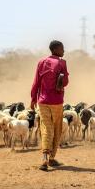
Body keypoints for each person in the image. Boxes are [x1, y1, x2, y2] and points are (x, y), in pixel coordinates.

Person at [30, 40, 69, 171]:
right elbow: (65, 82)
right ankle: (50, 158)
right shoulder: (62, 63)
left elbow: (36, 81)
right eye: (62, 49)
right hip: (57, 101)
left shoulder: (41, 62)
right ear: (56, 50)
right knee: (56, 128)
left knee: (46, 127)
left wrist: (33, 99)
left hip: (42, 101)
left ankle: (45, 158)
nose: (64, 51)